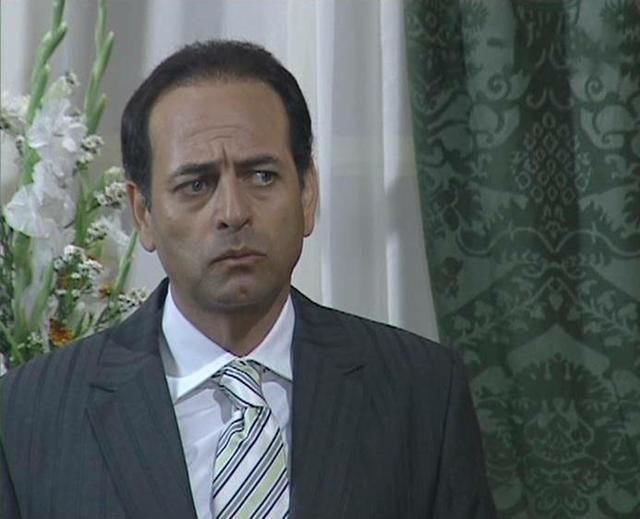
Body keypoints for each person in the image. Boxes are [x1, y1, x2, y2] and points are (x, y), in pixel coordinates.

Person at [0, 40, 496, 519]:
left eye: (261, 176)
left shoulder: (421, 392)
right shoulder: (28, 414)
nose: (233, 212)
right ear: (143, 213)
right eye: (196, 184)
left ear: (307, 194)